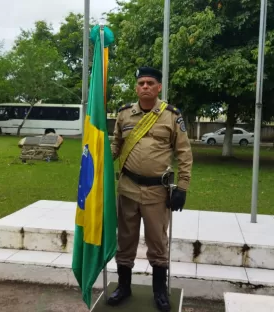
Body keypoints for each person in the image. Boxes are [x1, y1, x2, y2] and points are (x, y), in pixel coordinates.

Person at [109, 66, 193, 311]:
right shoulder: (124, 115)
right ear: (136, 87)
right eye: (141, 83)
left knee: (157, 242)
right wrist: (96, 162)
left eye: (150, 83)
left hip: (157, 192)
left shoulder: (171, 116)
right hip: (127, 189)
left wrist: (183, 187)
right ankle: (123, 287)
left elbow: (184, 153)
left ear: (158, 88)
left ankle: (160, 292)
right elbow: (115, 147)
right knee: (125, 240)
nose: (145, 86)